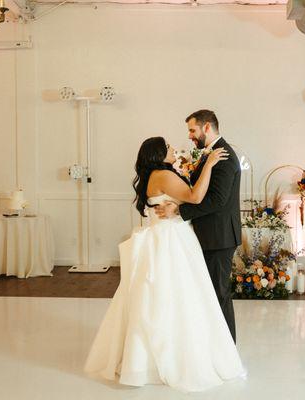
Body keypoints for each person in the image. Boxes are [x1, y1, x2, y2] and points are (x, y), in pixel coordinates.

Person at [84, 136, 245, 392]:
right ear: (158, 155)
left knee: (160, 296)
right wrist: (209, 165)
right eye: (168, 148)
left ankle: (146, 355)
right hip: (171, 240)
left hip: (165, 237)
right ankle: (176, 355)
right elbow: (194, 196)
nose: (174, 149)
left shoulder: (158, 175)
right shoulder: (162, 175)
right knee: (177, 296)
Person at [155, 109, 241, 343]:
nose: (190, 135)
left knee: (218, 294)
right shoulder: (210, 154)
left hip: (219, 237)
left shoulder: (223, 156)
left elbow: (217, 200)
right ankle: (213, 345)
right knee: (209, 292)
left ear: (206, 127)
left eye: (192, 130)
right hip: (211, 235)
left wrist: (179, 210)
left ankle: (226, 348)